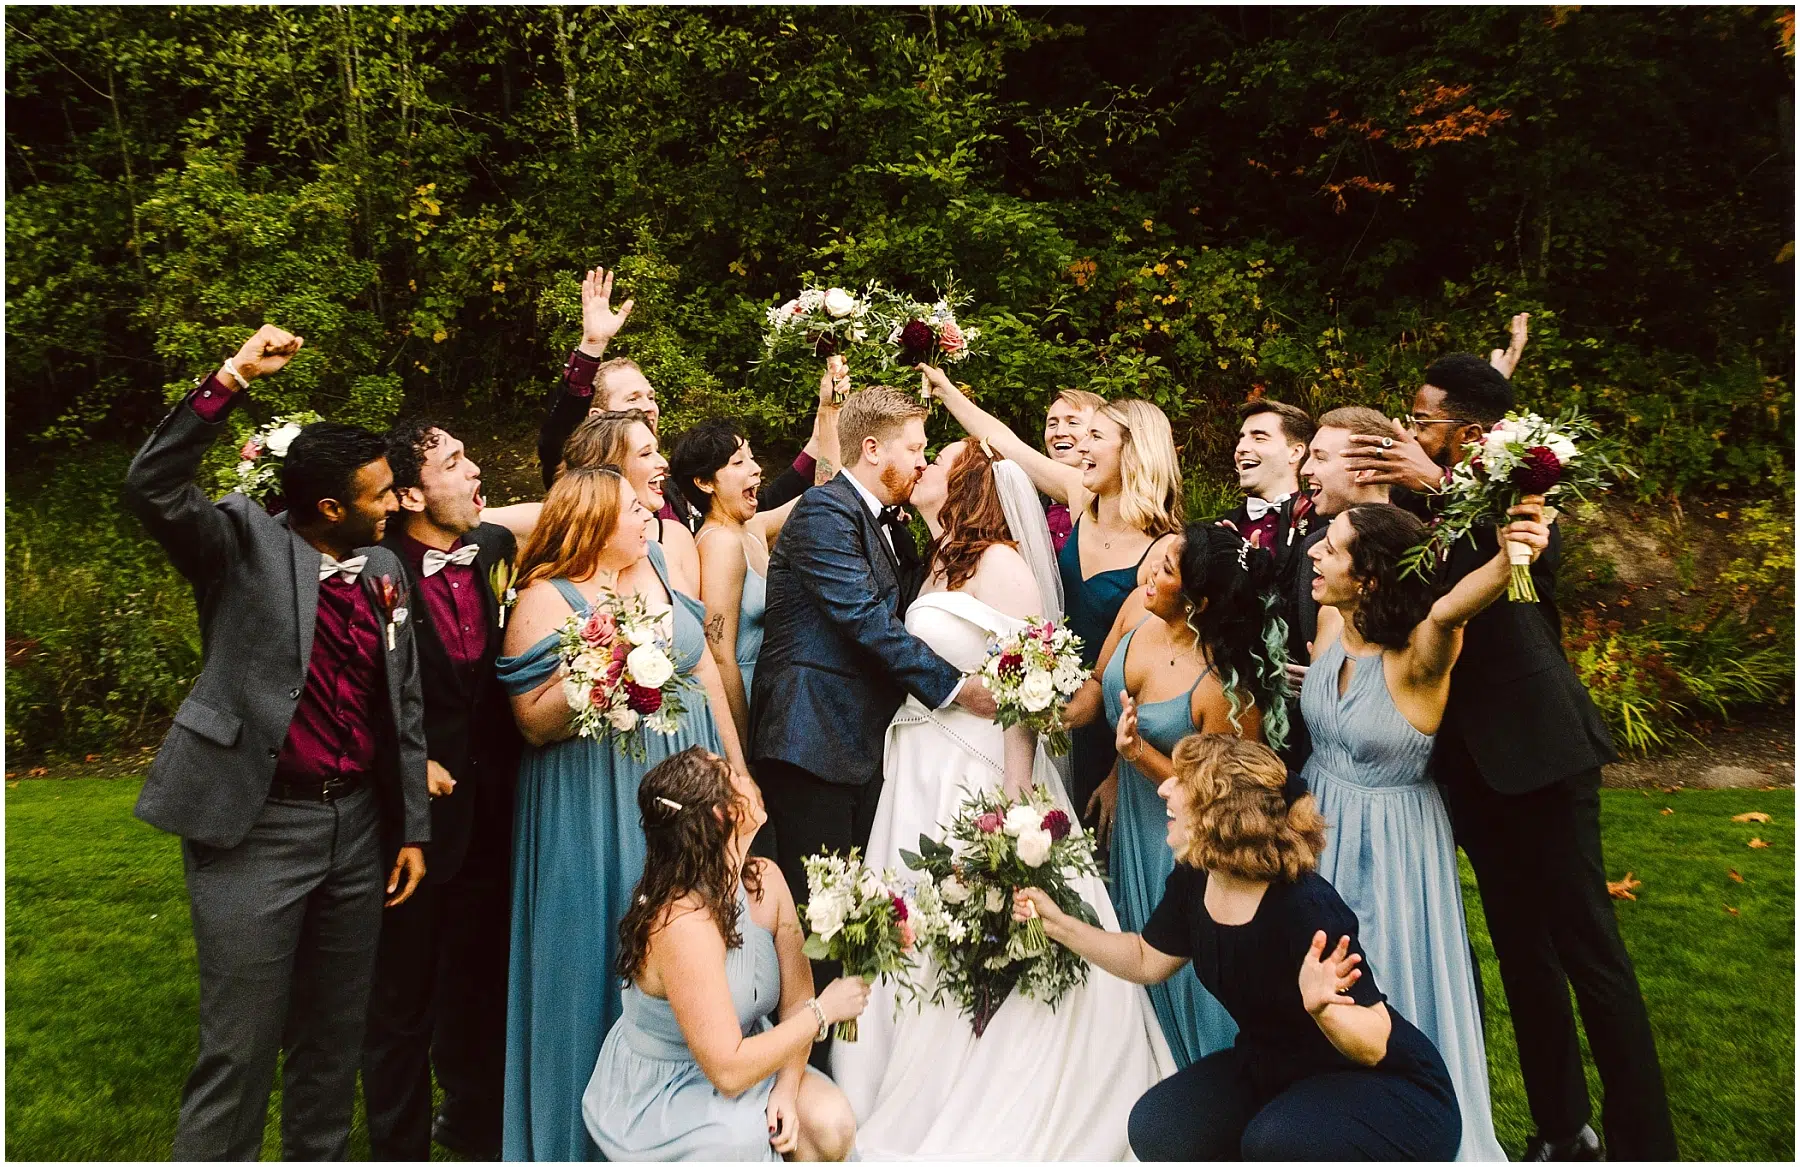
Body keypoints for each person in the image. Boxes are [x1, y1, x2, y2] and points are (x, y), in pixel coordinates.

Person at [1340, 351, 1675, 1161]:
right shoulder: (1416, 499)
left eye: (1423, 419)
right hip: (1471, 770)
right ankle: (1564, 1131)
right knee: (1524, 958)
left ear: (1470, 432)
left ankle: (1646, 1145)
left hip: (1542, 753)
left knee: (1590, 953)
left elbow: (1526, 561)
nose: (1411, 432)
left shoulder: (1524, 489)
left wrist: (1439, 477)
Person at [122, 325, 429, 1160]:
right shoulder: (237, 542)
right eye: (380, 495)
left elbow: (399, 709)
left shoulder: (385, 572)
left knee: (331, 1053)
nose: (397, 502)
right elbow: (151, 484)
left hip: (358, 833)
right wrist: (228, 380)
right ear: (329, 506)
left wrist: (408, 830)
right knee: (240, 1052)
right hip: (252, 830)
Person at [828, 438, 1173, 1157]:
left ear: (970, 482)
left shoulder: (1004, 566)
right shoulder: (937, 558)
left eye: (936, 458)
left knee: (982, 919)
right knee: (911, 925)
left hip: (978, 775)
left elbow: (1027, 689)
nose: (918, 464)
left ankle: (987, 1087)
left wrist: (1015, 814)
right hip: (917, 770)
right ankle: (892, 1085)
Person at [1017, 734, 1462, 1162]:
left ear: (1221, 812)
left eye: (1183, 781)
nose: (1166, 786)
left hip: (1386, 1089)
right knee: (1158, 1128)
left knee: (1271, 1142)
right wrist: (1060, 925)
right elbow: (1145, 958)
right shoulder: (1199, 878)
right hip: (1273, 1069)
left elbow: (1374, 1042)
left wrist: (1325, 1010)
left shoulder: (1305, 908)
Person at [496, 466, 750, 1161]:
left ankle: (690, 1123)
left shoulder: (663, 564)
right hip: (593, 798)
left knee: (694, 940)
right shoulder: (546, 600)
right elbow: (530, 721)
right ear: (593, 523)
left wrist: (736, 770)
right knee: (602, 940)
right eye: (635, 509)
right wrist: (600, 675)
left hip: (685, 786)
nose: (651, 516)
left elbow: (698, 667)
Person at [750, 385, 998, 1059]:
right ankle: (806, 1073)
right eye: (914, 448)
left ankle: (848, 1065)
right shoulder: (825, 512)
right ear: (871, 448)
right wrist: (955, 687)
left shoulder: (888, 521)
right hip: (808, 741)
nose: (920, 461)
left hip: (854, 745)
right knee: (815, 919)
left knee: (853, 913)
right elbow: (863, 620)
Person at [1303, 499, 1554, 1160]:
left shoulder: (1420, 655)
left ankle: (1406, 1126)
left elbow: (1449, 608)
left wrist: (1508, 558)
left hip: (1392, 844)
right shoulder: (1330, 622)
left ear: (1373, 577)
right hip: (1318, 826)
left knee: (1384, 976)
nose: (1313, 553)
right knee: (1315, 985)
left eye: (1331, 548)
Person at [1061, 524, 1291, 1068]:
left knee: (1176, 970)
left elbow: (1224, 800)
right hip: (1130, 822)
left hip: (1184, 846)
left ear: (1199, 601)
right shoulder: (1137, 617)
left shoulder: (1222, 687)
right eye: (1159, 558)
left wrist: (1138, 753)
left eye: (1167, 571)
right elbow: (1099, 682)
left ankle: (1203, 1078)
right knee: (1125, 953)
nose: (1150, 573)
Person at [920, 365, 1183, 822]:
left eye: (1096, 436)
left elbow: (1158, 674)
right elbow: (1007, 445)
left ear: (1134, 450)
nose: (1080, 447)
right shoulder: (1081, 499)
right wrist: (947, 393)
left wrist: (1121, 772)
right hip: (1046, 703)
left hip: (1109, 723)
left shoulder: (1163, 548)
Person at [359, 421, 521, 1161]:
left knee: (483, 983)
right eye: (455, 461)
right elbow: (345, 688)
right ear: (411, 493)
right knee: (402, 1004)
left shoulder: (494, 549)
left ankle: (476, 1130)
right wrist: (403, 759)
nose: (475, 468)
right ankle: (398, 1147)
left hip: (495, 813)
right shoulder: (372, 569)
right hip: (411, 827)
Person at [583, 747, 865, 1161]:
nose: (747, 775)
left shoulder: (764, 879)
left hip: (753, 1058)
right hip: (671, 1089)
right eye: (734, 775)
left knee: (831, 1124)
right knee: (738, 1144)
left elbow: (797, 993)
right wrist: (824, 1012)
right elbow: (729, 1072)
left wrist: (786, 1091)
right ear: (722, 815)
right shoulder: (683, 926)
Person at [538, 266, 830, 515]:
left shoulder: (668, 479)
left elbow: (751, 511)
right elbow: (556, 439)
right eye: (632, 399)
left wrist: (817, 443)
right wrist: (591, 348)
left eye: (650, 396)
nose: (648, 407)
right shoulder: (581, 486)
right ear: (595, 417)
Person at [670, 359, 846, 744]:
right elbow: (720, 656)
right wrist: (743, 746)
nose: (756, 469)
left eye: (751, 457)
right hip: (740, 704)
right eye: (738, 463)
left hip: (769, 695)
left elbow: (825, 493)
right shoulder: (719, 544)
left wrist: (829, 409)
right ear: (704, 482)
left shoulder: (749, 528)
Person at [1041, 387, 1107, 550]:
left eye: (1073, 423)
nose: (1059, 432)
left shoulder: (1112, 502)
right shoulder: (1032, 499)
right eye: (1052, 424)